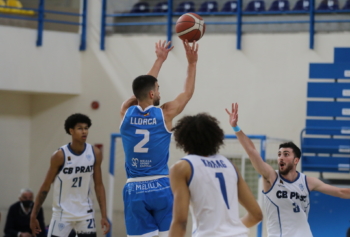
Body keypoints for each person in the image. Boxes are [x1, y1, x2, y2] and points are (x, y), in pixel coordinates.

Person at [226, 103, 350, 237]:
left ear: (296, 160)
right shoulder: (271, 177)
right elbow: (252, 151)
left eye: (286, 154)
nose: (281, 158)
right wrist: (236, 127)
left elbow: (340, 192)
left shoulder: (308, 182)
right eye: (279, 155)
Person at [120, 39, 199, 237]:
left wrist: (159, 61)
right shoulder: (165, 114)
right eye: (158, 88)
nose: (160, 92)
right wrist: (192, 63)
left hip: (134, 187)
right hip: (161, 186)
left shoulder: (126, 113)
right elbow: (186, 93)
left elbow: (140, 90)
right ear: (153, 92)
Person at [168, 113, 263, 237]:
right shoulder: (229, 165)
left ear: (183, 140)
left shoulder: (182, 168)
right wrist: (230, 230)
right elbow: (257, 215)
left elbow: (181, 222)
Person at [30, 113, 110, 237]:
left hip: (86, 213)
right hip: (62, 213)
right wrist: (33, 215)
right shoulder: (59, 155)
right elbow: (45, 186)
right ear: (71, 131)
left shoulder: (95, 153)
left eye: (86, 128)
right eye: (80, 128)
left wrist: (104, 216)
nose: (84, 131)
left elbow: (99, 185)